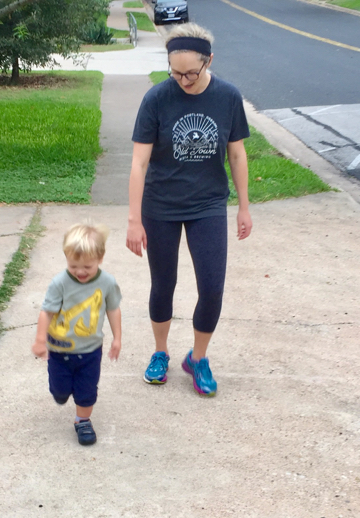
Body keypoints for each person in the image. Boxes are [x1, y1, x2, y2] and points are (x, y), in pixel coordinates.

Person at [126, 23, 252, 397]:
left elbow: (237, 154)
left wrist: (244, 207)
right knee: (163, 283)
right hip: (160, 205)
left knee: (212, 287)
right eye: (175, 73)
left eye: (191, 73)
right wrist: (134, 219)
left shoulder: (227, 97)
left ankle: (198, 358)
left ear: (208, 61)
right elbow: (139, 163)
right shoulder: (156, 99)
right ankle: (160, 352)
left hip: (208, 204)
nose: (183, 80)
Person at [32, 222, 122, 445]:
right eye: (73, 266)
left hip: (91, 350)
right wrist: (40, 339)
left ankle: (82, 422)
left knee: (87, 392)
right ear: (66, 258)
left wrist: (117, 338)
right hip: (60, 350)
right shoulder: (60, 283)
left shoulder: (107, 283)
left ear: (100, 258)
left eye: (87, 267)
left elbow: (113, 309)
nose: (80, 272)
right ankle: (61, 391)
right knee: (60, 392)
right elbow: (47, 312)